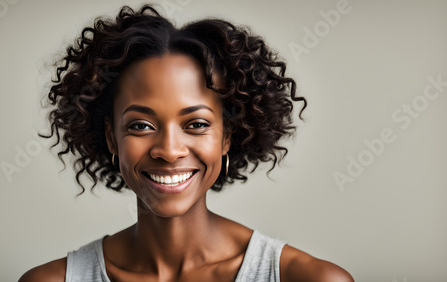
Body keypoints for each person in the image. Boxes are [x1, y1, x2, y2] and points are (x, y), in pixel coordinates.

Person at [19, 4, 354, 282]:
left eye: (196, 124)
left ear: (226, 137)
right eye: (140, 124)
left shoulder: (310, 278)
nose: (169, 150)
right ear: (111, 137)